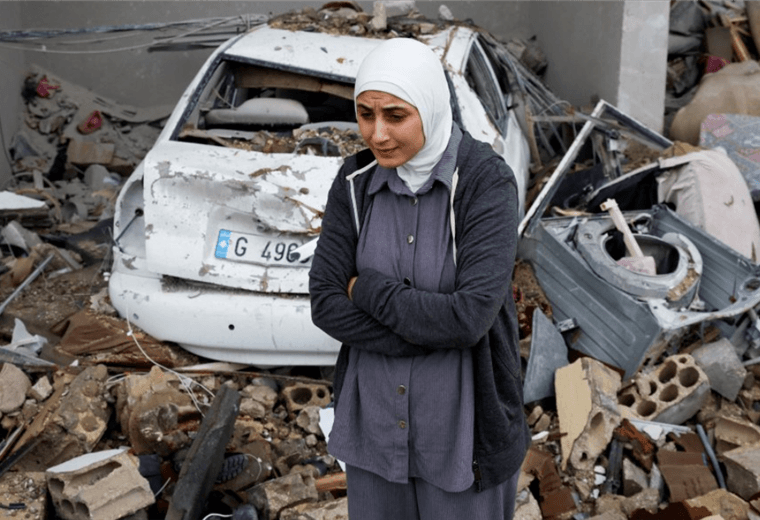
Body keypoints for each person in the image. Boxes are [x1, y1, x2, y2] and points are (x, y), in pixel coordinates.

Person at [309, 37, 530, 520]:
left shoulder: (484, 183)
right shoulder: (356, 182)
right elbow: (325, 302)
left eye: (395, 115)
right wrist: (427, 333)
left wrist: (364, 290)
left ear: (429, 106)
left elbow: (469, 319)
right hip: (374, 425)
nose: (377, 133)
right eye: (365, 114)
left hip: (462, 430)